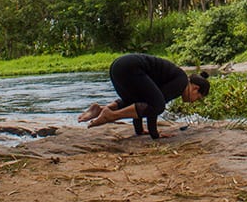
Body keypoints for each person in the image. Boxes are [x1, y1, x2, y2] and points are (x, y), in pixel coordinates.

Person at [78, 53, 210, 139]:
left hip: (118, 66)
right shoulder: (181, 82)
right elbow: (157, 104)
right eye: (198, 98)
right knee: (158, 105)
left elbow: (142, 101)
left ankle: (101, 109)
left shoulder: (177, 77)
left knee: (134, 100)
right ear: (195, 88)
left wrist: (140, 130)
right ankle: (111, 115)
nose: (193, 102)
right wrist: (155, 134)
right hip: (131, 67)